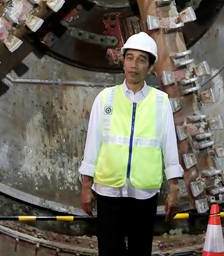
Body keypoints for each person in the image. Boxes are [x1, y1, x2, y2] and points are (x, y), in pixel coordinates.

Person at [78, 32, 184, 256]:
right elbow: (93, 144)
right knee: (109, 250)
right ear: (123, 61)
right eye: (130, 58)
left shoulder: (160, 101)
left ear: (150, 67)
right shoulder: (105, 98)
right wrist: (86, 185)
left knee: (140, 250)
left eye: (141, 60)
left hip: (143, 193)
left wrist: (174, 187)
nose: (134, 65)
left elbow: (169, 146)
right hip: (108, 191)